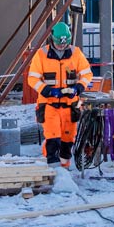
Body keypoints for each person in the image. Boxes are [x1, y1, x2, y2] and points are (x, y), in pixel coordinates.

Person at [26, 21, 93, 165]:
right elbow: (32, 78)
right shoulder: (41, 55)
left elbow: (87, 74)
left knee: (67, 140)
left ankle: (64, 169)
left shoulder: (76, 53)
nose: (62, 46)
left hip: (70, 105)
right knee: (53, 137)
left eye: (65, 43)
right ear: (52, 39)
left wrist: (78, 88)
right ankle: (54, 168)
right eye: (59, 43)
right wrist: (48, 90)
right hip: (49, 104)